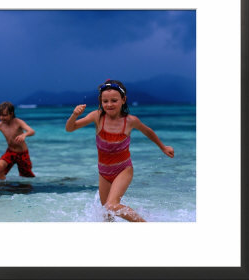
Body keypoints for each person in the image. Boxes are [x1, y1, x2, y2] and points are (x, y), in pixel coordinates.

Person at [65, 79, 174, 222]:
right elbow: (70, 128)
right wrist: (74, 115)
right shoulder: (97, 117)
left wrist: (163, 147)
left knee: (112, 205)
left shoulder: (130, 121)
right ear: (100, 101)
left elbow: (148, 132)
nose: (109, 104)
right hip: (104, 173)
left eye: (114, 100)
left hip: (123, 169)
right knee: (107, 215)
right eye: (105, 101)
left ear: (123, 100)